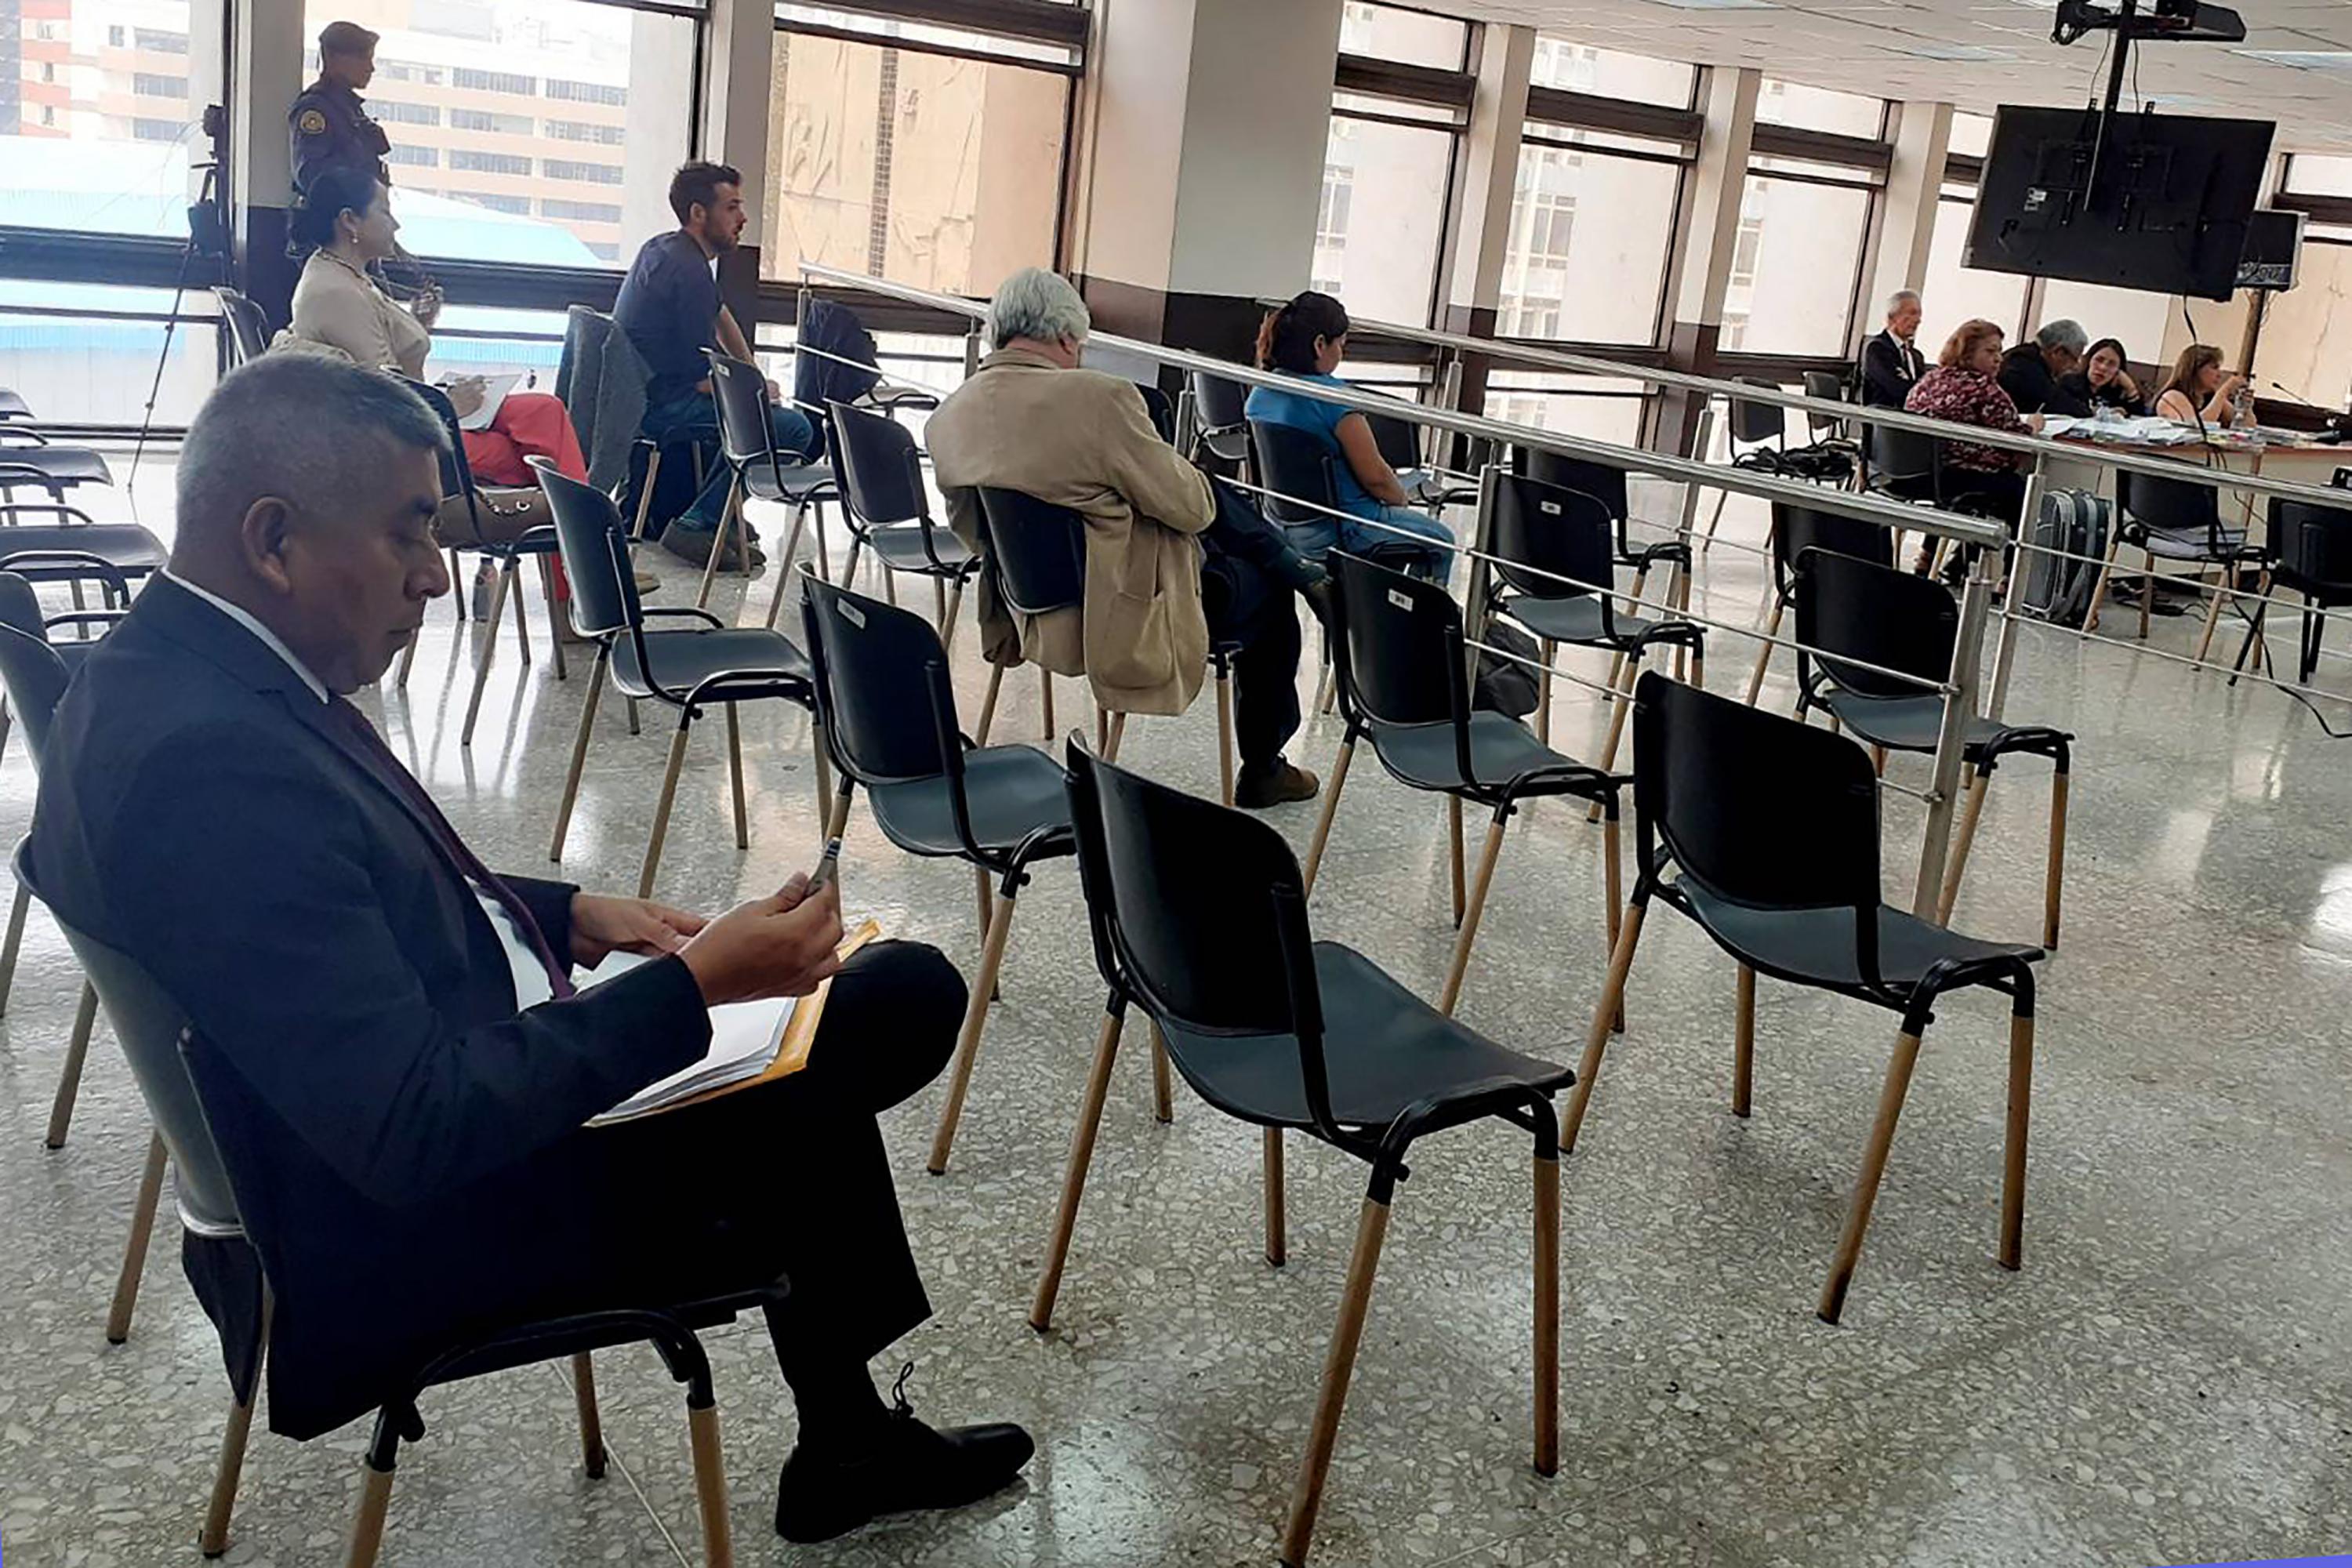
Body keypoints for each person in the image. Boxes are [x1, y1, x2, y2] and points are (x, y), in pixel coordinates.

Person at [25, 354, 1033, 1545]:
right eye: (408, 535)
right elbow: (417, 1130)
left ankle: (848, 1428)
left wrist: (563, 916)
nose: (432, 578)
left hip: (340, 1144)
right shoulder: (215, 767)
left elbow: (320, 894)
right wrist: (692, 994)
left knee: (817, 1036)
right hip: (388, 1236)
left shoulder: (159, 676)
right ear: (273, 539)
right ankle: (847, 1435)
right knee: (873, 1016)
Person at [927, 269, 1325, 808]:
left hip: (1031, 612)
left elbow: (972, 532)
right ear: (1068, 338)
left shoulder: (948, 417)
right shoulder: (1098, 398)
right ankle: (1264, 766)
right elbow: (1190, 506)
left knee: (1217, 530)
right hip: (1125, 614)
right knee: (1270, 595)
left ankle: (1288, 564)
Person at [279, 167, 587, 500]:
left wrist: (419, 323)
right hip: (401, 443)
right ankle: (582, 533)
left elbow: (380, 363)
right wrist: (451, 405)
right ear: (350, 220)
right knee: (540, 457)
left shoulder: (345, 276)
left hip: (419, 413)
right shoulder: (336, 292)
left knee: (544, 411)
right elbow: (387, 398)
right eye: (385, 212)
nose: (395, 225)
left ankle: (576, 531)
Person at [614, 161, 815, 570]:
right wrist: (756, 394)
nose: (742, 219)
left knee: (753, 413)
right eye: (732, 208)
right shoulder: (687, 272)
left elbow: (721, 316)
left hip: (643, 396)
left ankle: (721, 516)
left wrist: (751, 375)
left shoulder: (665, 248)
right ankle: (698, 522)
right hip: (663, 406)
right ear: (698, 213)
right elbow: (699, 381)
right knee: (792, 428)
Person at [1243, 292, 1455, 582]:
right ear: (1320, 345)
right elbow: (1377, 479)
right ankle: (1414, 619)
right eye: (1341, 344)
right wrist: (1400, 500)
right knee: (1441, 540)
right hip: (1342, 529)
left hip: (1280, 524)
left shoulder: (1259, 394)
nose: (1342, 353)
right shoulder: (1337, 402)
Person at [1905, 318, 2038, 535]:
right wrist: (2033, 426)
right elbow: (2017, 438)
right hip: (1955, 476)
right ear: (1967, 353)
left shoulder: (1929, 380)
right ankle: (2011, 565)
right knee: (2019, 491)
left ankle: (1931, 556)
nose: (1998, 359)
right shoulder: (1983, 388)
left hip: (1912, 471)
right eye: (1990, 352)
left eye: (2000, 352)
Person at [289, 20, 389, 199]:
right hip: (332, 222)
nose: (371, 68)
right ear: (334, 58)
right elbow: (310, 175)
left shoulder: (349, 109)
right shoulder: (315, 109)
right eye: (363, 58)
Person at [1997, 318, 2091, 418]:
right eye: (2075, 359)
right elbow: (2056, 402)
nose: (2075, 366)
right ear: (2059, 353)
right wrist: (2087, 413)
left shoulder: (2024, 356)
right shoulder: (2025, 367)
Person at [1858, 289, 1926, 409]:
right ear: (1892, 317)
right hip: (1884, 419)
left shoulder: (1916, 357)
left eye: (1919, 315)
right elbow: (1896, 388)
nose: (1918, 320)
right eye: (1912, 313)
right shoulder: (1877, 349)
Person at [2154, 343, 2250, 429]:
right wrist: (2225, 390)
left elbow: (2248, 426)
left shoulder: (2212, 397)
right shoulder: (2173, 396)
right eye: (2214, 368)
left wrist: (2246, 406)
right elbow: (2198, 427)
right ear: (2195, 369)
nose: (2219, 375)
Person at [2058, 336, 2150, 416]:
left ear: (2118, 370)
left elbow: (2139, 418)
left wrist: (2131, 388)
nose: (2103, 367)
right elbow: (2064, 407)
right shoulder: (2069, 382)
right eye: (2099, 360)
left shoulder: (2118, 392)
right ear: (2089, 360)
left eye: (2111, 364)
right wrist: (2100, 412)